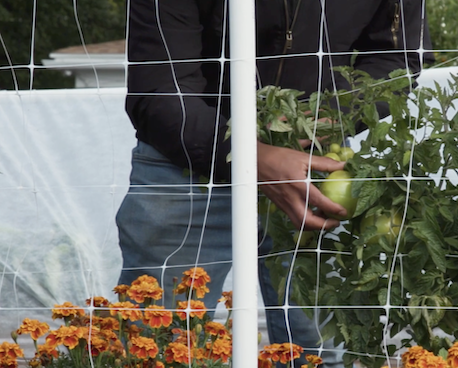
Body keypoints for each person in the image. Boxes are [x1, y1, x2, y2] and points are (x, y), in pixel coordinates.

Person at [116, 0, 432, 366]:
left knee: (318, 351)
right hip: (185, 161)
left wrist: (318, 120)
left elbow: (395, 59)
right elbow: (159, 90)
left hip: (312, 163)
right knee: (156, 345)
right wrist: (250, 155)